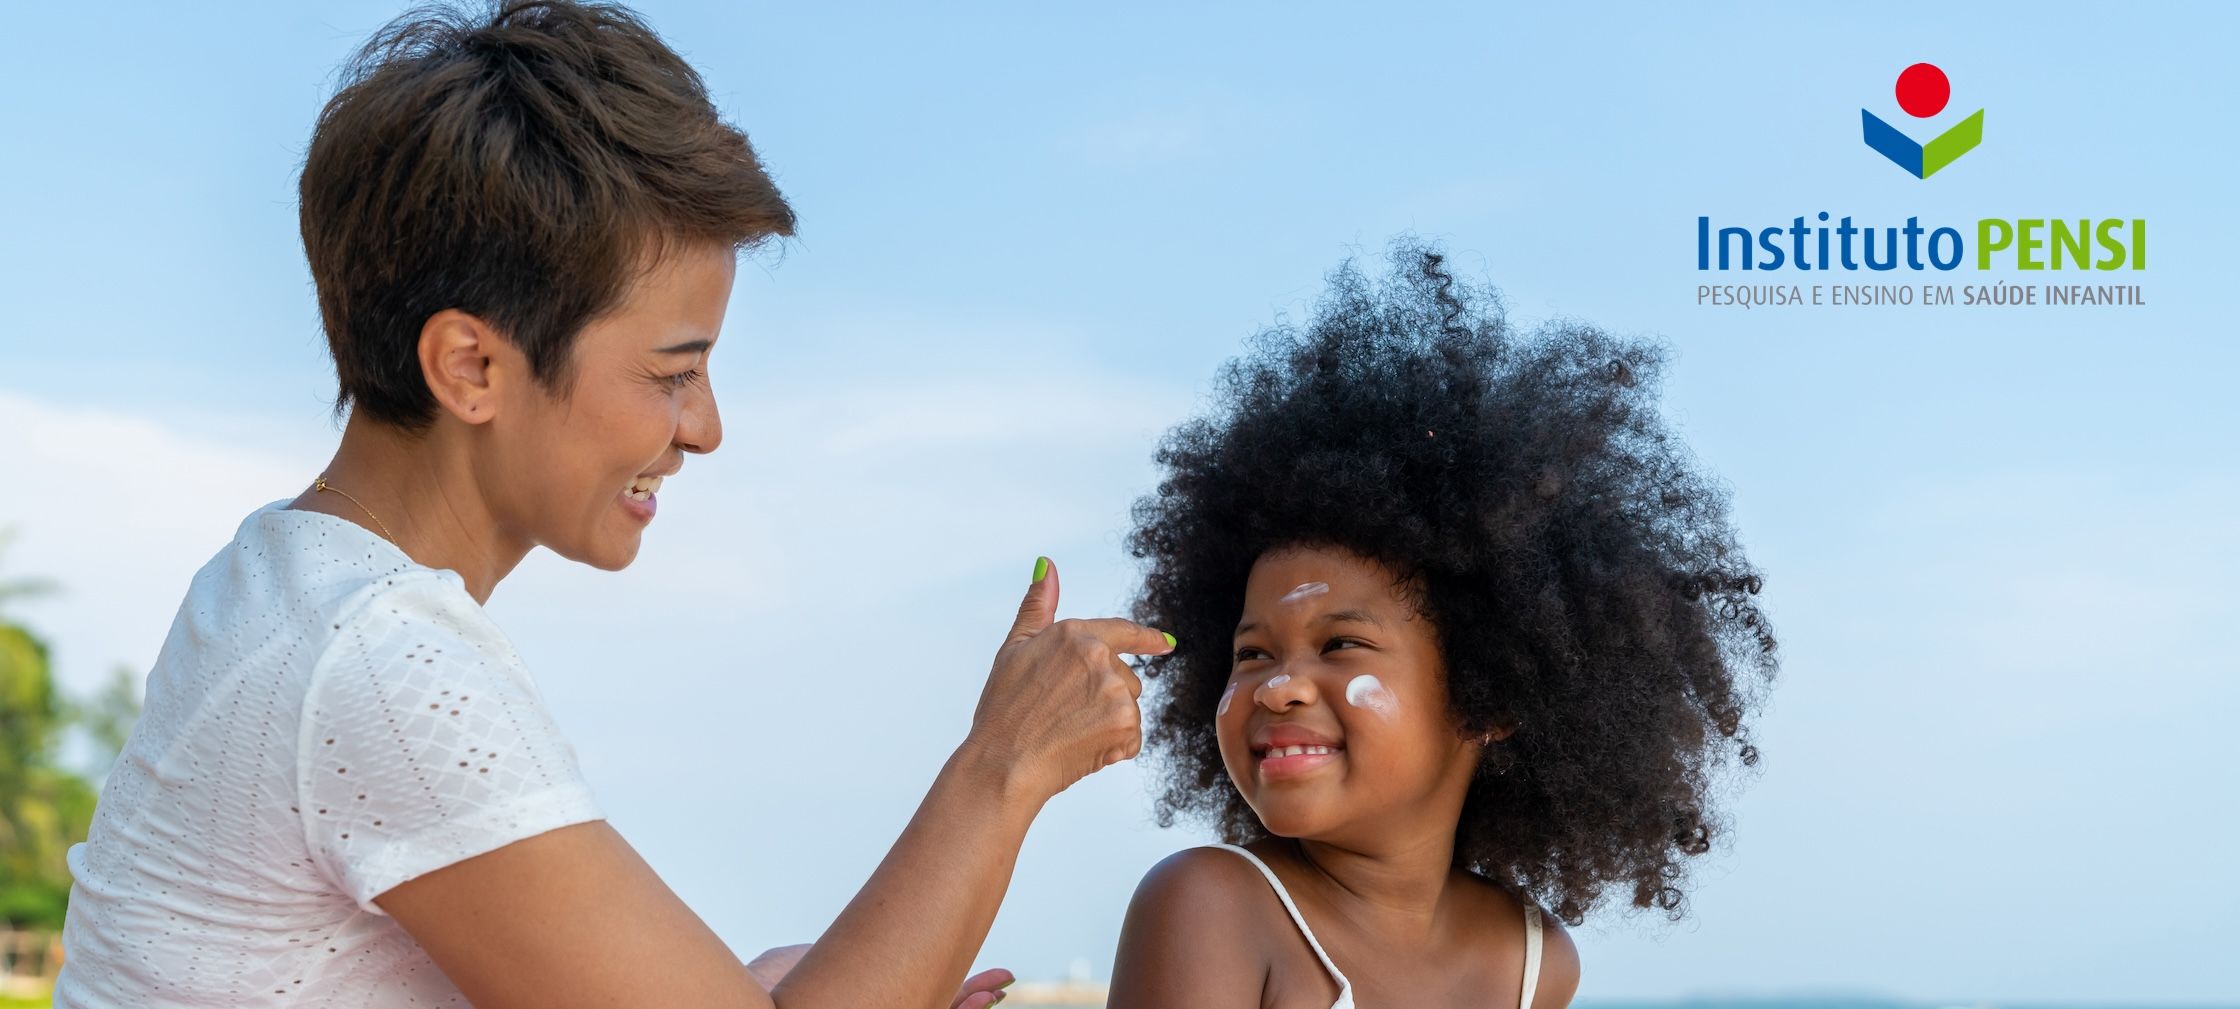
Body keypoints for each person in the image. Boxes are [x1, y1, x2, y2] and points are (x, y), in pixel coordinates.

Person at [51, 3, 1172, 1007]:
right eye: (672, 372)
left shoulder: (281, 579)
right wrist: (1003, 765)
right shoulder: (381, 664)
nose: (703, 428)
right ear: (472, 368)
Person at [1107, 242, 1779, 1008]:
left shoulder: (1536, 959)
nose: (1279, 687)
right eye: (1252, 651)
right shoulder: (1212, 903)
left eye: (1340, 644)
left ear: (1490, 692)